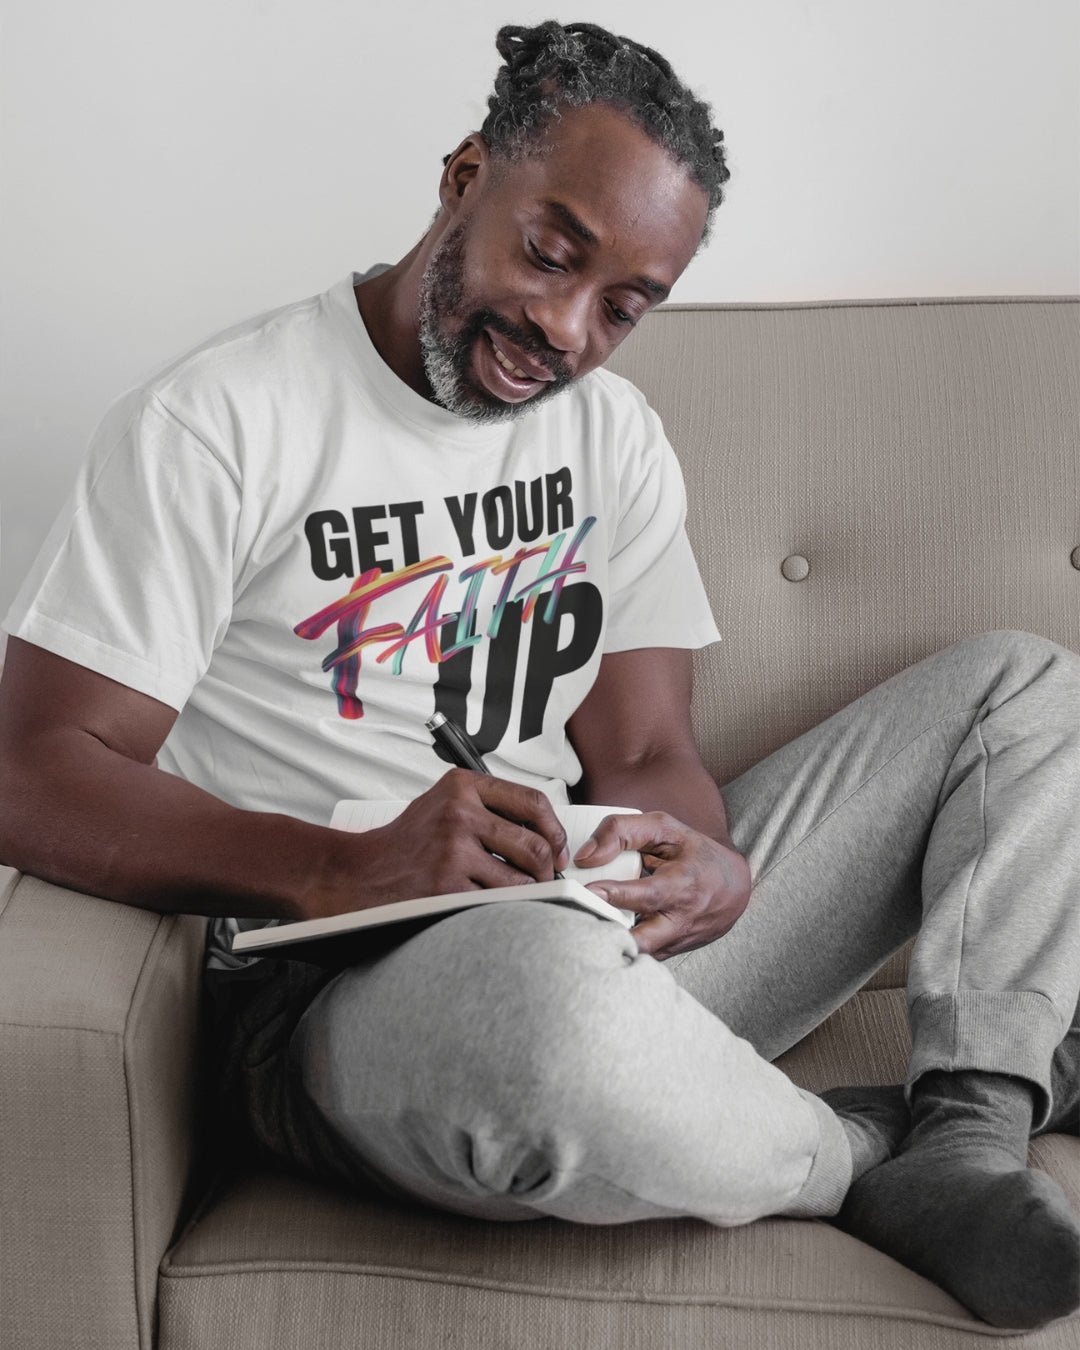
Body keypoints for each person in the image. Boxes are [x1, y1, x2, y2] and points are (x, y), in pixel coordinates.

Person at [0, 19, 1077, 1331]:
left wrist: (701, 854)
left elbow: (645, 754)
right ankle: (851, 1156)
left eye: (623, 304)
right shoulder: (224, 421)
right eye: (551, 253)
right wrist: (346, 863)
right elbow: (35, 768)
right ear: (464, 176)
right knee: (554, 1029)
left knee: (1022, 689)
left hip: (593, 925)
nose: (566, 329)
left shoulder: (611, 435)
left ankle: (967, 1131)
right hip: (348, 993)